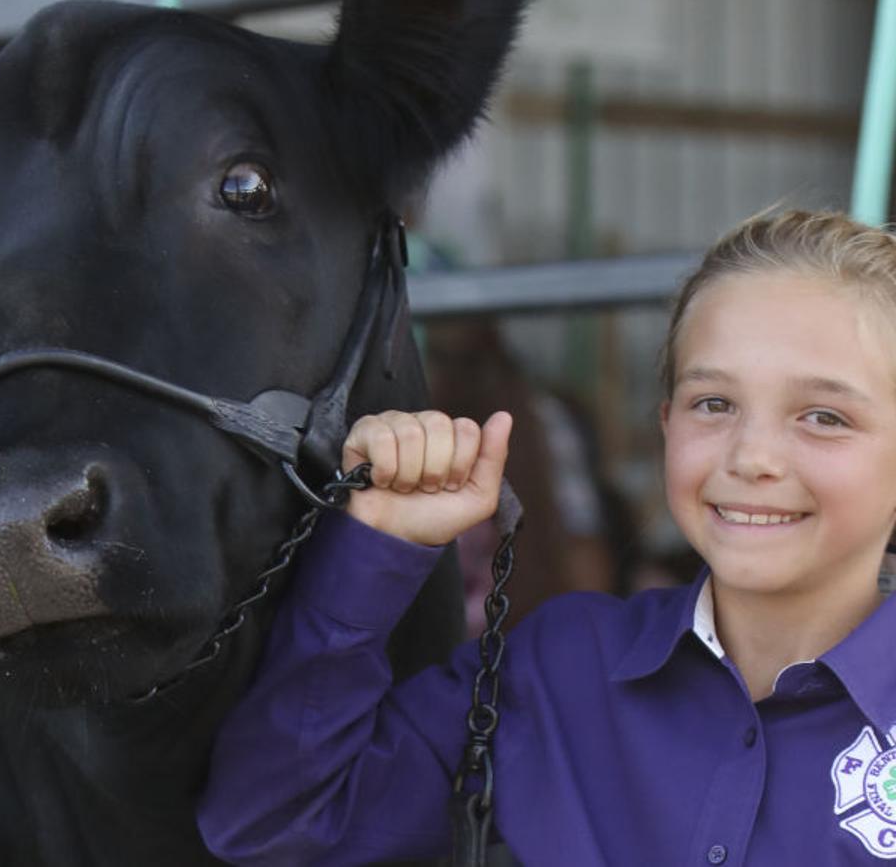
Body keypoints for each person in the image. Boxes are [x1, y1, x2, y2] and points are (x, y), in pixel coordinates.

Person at [195, 210, 896, 865]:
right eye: (713, 403)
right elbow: (273, 824)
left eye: (824, 417)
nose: (750, 457)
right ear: (665, 424)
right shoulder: (558, 666)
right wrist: (374, 546)